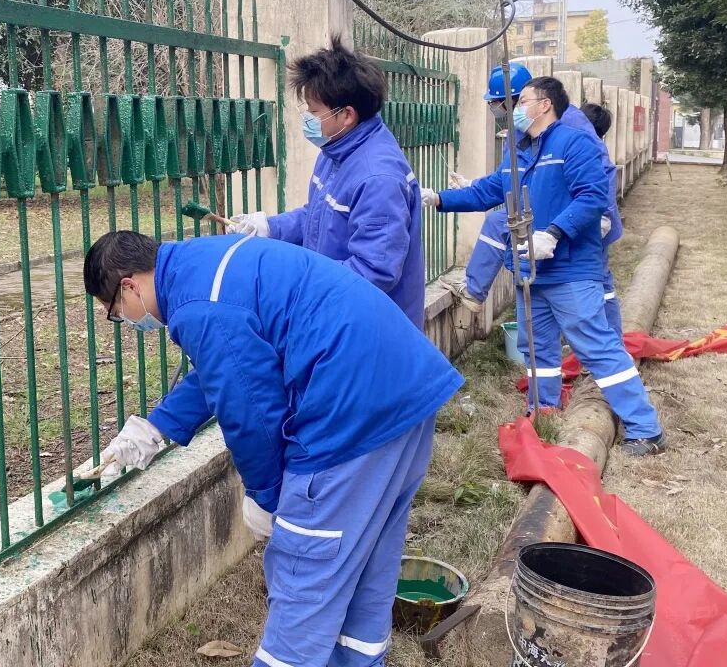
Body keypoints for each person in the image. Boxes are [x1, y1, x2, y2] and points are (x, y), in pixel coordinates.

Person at [84, 230, 463, 666]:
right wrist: (154, 428)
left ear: (128, 286)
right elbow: (229, 364)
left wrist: (265, 494)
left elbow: (249, 408)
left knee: (306, 574)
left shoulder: (197, 305)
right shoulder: (201, 263)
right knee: (368, 559)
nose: (126, 319)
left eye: (115, 312)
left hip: (350, 412)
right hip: (406, 392)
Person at [426, 77, 666, 456]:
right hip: (530, 271)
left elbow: (593, 197)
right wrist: (439, 199)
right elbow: (490, 190)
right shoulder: (519, 150)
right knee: (536, 348)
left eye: (522, 101)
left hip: (570, 269)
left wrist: (553, 233)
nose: (514, 109)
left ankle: (645, 428)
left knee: (596, 346)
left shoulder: (573, 143)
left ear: (545, 105)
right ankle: (543, 409)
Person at [225, 36, 425, 327]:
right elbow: (319, 217)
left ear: (346, 115)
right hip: (337, 314)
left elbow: (373, 272)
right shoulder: (337, 151)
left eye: (314, 110)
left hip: (370, 328)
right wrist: (270, 227)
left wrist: (299, 280)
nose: (307, 117)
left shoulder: (378, 179)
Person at [427, 64, 624, 337]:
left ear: (533, 102)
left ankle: (610, 343)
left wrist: (596, 215)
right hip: (549, 218)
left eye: (502, 103)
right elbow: (507, 180)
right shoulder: (523, 129)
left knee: (596, 289)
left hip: (583, 216)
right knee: (541, 330)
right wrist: (447, 195)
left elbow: (597, 175)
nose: (497, 110)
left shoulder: (569, 125)